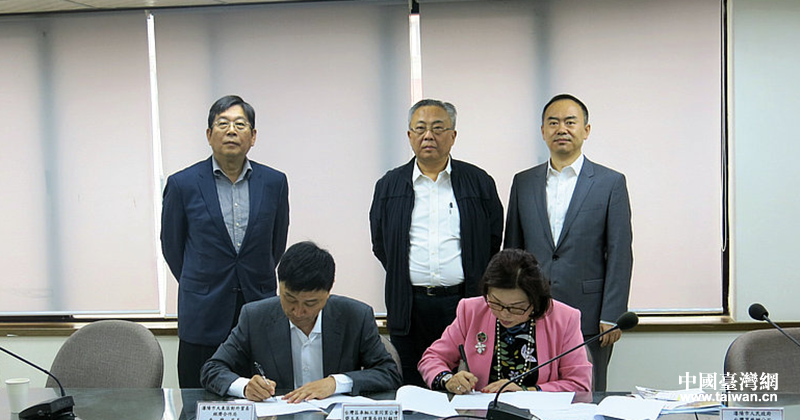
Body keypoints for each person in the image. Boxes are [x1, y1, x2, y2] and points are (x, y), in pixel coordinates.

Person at [369, 99, 503, 386]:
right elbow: (381, 244)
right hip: (409, 305)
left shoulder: (479, 181)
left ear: (453, 135)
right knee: (412, 384)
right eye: (420, 128)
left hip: (463, 302)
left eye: (438, 128)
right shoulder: (389, 185)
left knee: (468, 383)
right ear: (409, 136)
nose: (428, 135)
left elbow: (493, 240)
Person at [504, 93, 632, 391]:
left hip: (589, 314)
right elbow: (512, 252)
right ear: (543, 131)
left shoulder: (610, 182)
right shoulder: (523, 182)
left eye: (570, 122)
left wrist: (612, 314)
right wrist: (510, 307)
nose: (561, 129)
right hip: (531, 310)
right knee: (530, 391)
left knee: (588, 391)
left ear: (586, 130)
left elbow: (619, 253)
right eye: (553, 122)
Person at [161, 95, 290, 388]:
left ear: (253, 136)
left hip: (257, 309)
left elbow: (276, 243)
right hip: (202, 313)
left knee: (262, 398)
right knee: (198, 400)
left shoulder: (274, 182)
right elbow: (172, 247)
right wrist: (203, 281)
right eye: (223, 124)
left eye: (240, 124)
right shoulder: (182, 184)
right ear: (209, 135)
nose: (231, 130)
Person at [200, 241, 401, 402]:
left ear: (328, 291)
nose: (298, 311)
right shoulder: (255, 317)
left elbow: (389, 373)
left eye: (310, 303)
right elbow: (212, 369)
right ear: (279, 285)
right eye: (289, 299)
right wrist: (244, 387)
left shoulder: (355, 316)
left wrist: (336, 383)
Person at [418, 249, 592, 393]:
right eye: (496, 303)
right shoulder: (471, 311)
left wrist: (526, 391)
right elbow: (432, 358)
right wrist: (448, 379)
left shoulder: (564, 318)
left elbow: (579, 385)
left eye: (516, 307)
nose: (504, 314)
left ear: (535, 301)